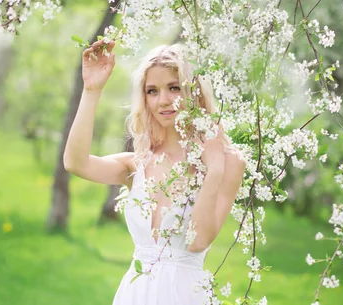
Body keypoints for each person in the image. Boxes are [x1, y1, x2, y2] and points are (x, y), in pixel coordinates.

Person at [63, 41, 246, 304]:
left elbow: (198, 241)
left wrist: (214, 169)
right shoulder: (137, 164)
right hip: (135, 295)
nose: (163, 101)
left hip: (186, 295)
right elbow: (75, 162)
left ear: (195, 92)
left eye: (174, 88)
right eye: (152, 91)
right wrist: (92, 90)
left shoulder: (228, 163)